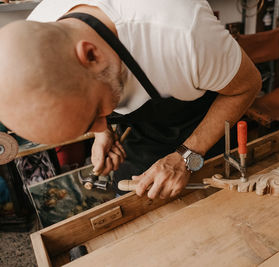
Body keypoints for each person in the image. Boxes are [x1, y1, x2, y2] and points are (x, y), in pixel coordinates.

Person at [0, 0, 261, 199]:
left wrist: (187, 156)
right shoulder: (40, 33)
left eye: (95, 115)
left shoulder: (183, 35)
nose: (101, 125)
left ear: (92, 55)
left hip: (202, 124)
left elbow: (247, 86)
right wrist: (102, 135)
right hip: (142, 132)